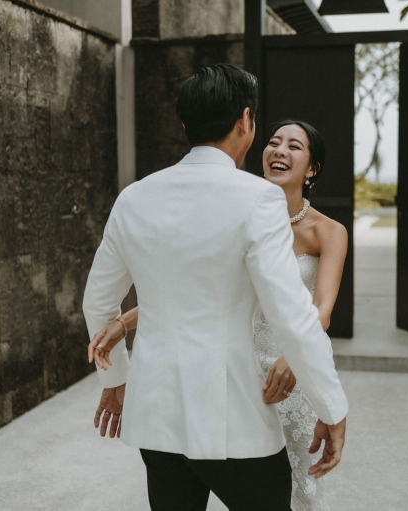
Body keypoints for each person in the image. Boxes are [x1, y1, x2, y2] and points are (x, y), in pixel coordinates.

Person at [82, 64, 348, 511]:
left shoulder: (134, 197)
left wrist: (115, 379)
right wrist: (332, 407)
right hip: (234, 418)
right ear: (246, 121)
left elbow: (97, 302)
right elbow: (293, 317)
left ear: (186, 124)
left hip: (156, 414)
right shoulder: (258, 199)